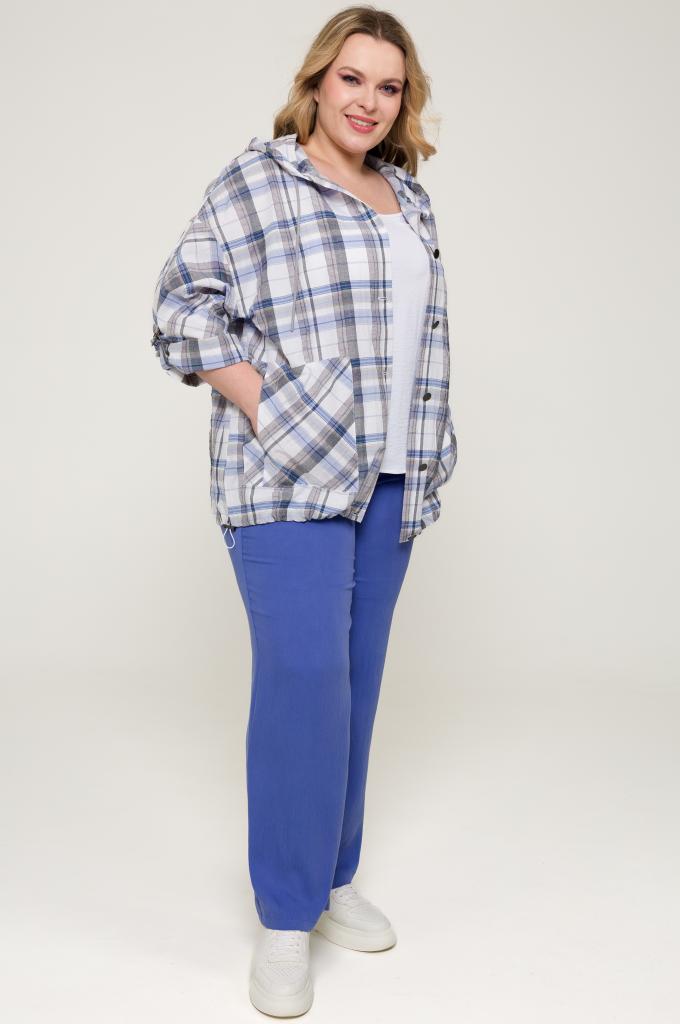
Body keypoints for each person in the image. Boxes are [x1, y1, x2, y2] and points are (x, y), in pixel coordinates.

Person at [150, 6, 457, 1016]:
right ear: (317, 81)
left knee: (354, 686)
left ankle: (331, 877)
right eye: (351, 78)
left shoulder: (408, 200)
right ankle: (285, 918)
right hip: (287, 476)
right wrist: (266, 401)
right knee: (305, 680)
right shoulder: (259, 181)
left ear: (403, 102)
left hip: (391, 478)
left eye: (388, 86)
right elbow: (180, 307)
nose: (368, 101)